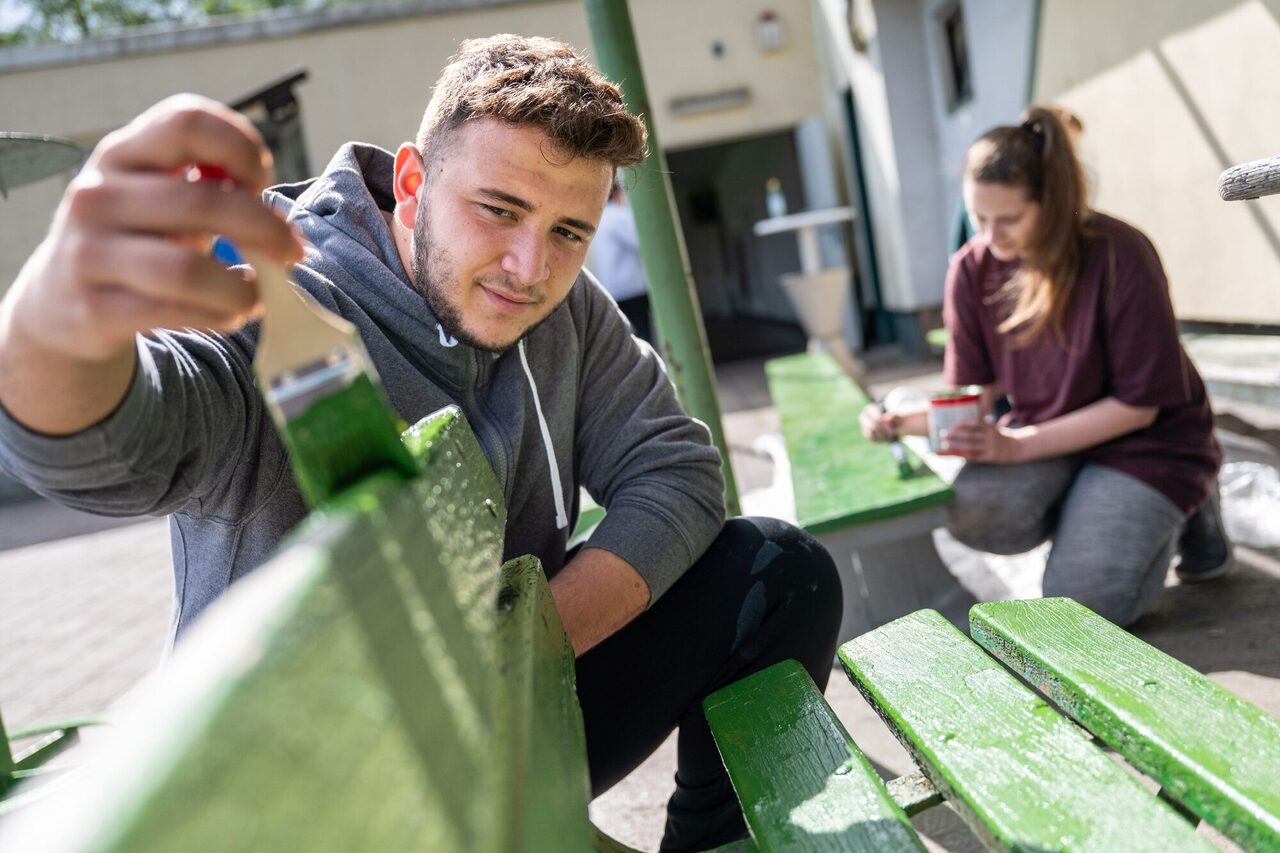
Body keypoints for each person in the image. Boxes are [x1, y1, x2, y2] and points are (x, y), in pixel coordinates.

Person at [0, 35, 841, 851]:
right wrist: (53, 326)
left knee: (779, 573)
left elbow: (679, 471)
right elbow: (110, 449)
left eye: (568, 232)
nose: (529, 267)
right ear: (412, 182)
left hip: (501, 720)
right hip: (303, 800)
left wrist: (522, 646)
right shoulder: (280, 310)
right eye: (498, 210)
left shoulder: (566, 309)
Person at [862, 104, 1229, 628]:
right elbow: (974, 395)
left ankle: (1189, 499)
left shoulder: (1120, 252)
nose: (990, 237)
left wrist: (1018, 447)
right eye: (977, 217)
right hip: (1051, 434)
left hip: (1147, 444)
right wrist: (896, 421)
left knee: (1079, 609)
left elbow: (1139, 408)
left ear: (1052, 203)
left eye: (1008, 219)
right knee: (971, 511)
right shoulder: (971, 268)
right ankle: (1092, 508)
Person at [586, 178, 652, 342]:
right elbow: (640, 241)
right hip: (632, 287)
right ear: (616, 193)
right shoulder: (618, 215)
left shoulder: (596, 220)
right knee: (643, 336)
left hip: (612, 289)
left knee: (626, 338)